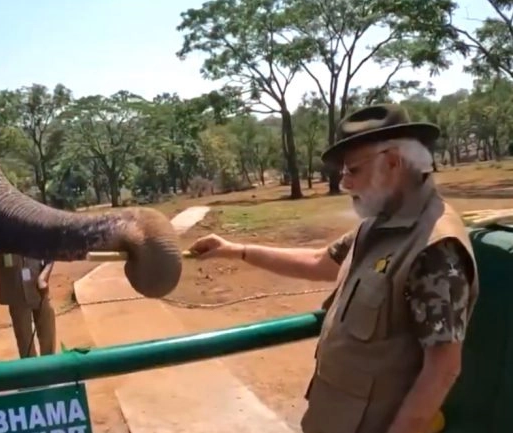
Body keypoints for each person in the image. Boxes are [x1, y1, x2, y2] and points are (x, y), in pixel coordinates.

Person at [188, 104, 478, 433]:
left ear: (393, 162)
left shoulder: (433, 249)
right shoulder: (381, 225)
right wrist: (235, 250)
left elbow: (442, 370)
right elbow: (319, 261)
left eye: (353, 170)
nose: (345, 183)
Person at [0, 251, 56, 358]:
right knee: (24, 342)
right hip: (16, 291)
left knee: (47, 334)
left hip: (38, 287)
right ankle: (30, 367)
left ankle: (50, 366)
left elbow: (52, 252)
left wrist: (44, 277)